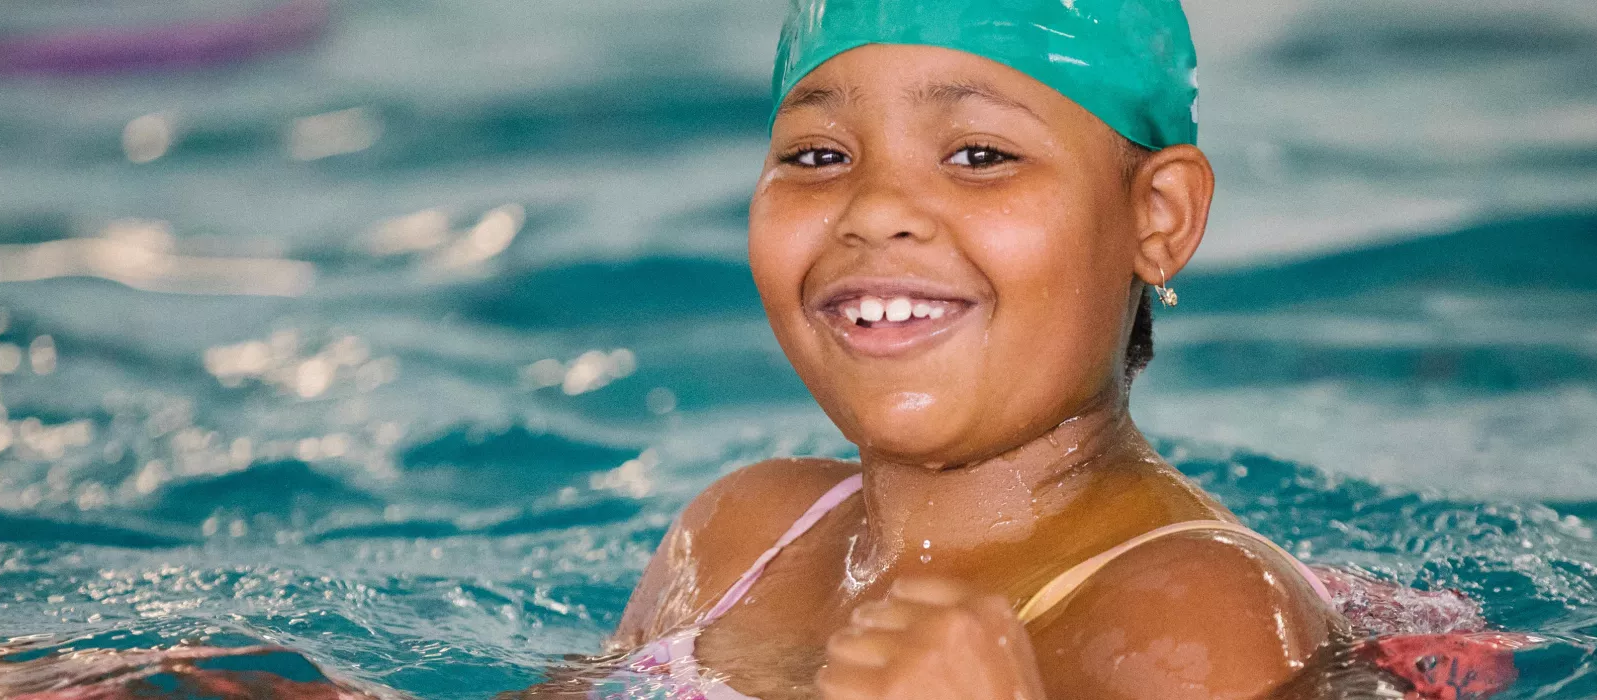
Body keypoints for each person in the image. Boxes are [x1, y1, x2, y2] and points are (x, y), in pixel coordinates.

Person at [527, 1, 1353, 697]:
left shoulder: (1200, 611)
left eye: (980, 156)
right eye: (819, 156)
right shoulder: (740, 536)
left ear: (1157, 216)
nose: (876, 208)